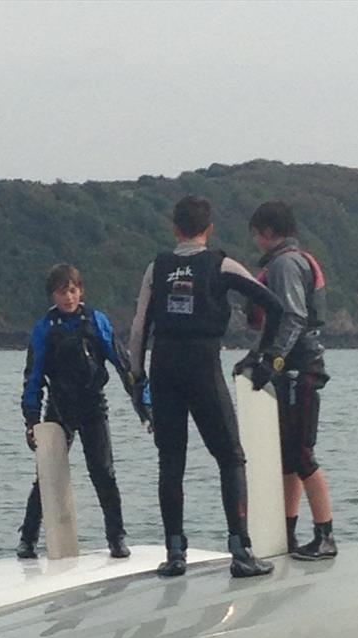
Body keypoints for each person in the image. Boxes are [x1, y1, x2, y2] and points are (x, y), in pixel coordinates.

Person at [129, 195, 285, 578]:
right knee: (230, 457)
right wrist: (264, 355)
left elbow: (138, 329)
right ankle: (240, 550)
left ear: (174, 228)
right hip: (202, 366)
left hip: (163, 365)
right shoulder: (222, 264)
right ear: (209, 229)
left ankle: (175, 553)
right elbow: (275, 306)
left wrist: (137, 379)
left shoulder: (157, 266)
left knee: (171, 462)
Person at [17, 263, 152, 559]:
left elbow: (123, 363)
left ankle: (116, 536)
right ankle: (28, 539)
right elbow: (34, 377)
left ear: (81, 291)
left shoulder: (95, 321)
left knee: (103, 472)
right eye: (62, 292)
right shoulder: (44, 330)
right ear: (52, 295)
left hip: (92, 405)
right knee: (46, 476)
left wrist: (143, 402)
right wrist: (31, 421)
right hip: (59, 409)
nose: (68, 298)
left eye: (73, 290)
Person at [246, 200, 336, 560]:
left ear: (267, 233)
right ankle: (287, 532)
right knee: (287, 456)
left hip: (301, 366)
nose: (255, 243)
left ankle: (325, 534)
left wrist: (274, 359)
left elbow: (295, 317)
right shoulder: (292, 260)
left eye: (255, 236)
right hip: (292, 365)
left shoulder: (284, 264)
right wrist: (259, 357)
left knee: (302, 454)